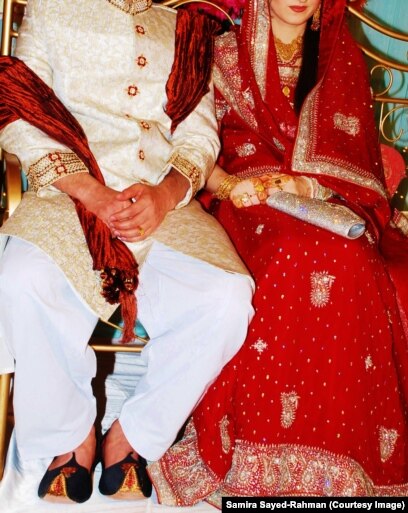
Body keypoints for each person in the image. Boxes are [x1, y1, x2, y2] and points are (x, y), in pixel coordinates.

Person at [148, 0, 408, 503]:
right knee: (289, 250)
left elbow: (357, 159)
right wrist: (232, 187)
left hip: (321, 200)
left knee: (350, 257)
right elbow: (189, 146)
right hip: (243, 199)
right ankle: (255, 456)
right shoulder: (219, 53)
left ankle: (342, 462)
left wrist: (305, 185)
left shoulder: (342, 58)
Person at [0, 0, 255, 504]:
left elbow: (200, 135)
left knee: (226, 298)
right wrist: (90, 191)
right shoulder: (52, 10)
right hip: (69, 195)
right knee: (22, 276)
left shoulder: (184, 29)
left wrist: (165, 194)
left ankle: (134, 435)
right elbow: (17, 108)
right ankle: (70, 437)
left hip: (163, 206)